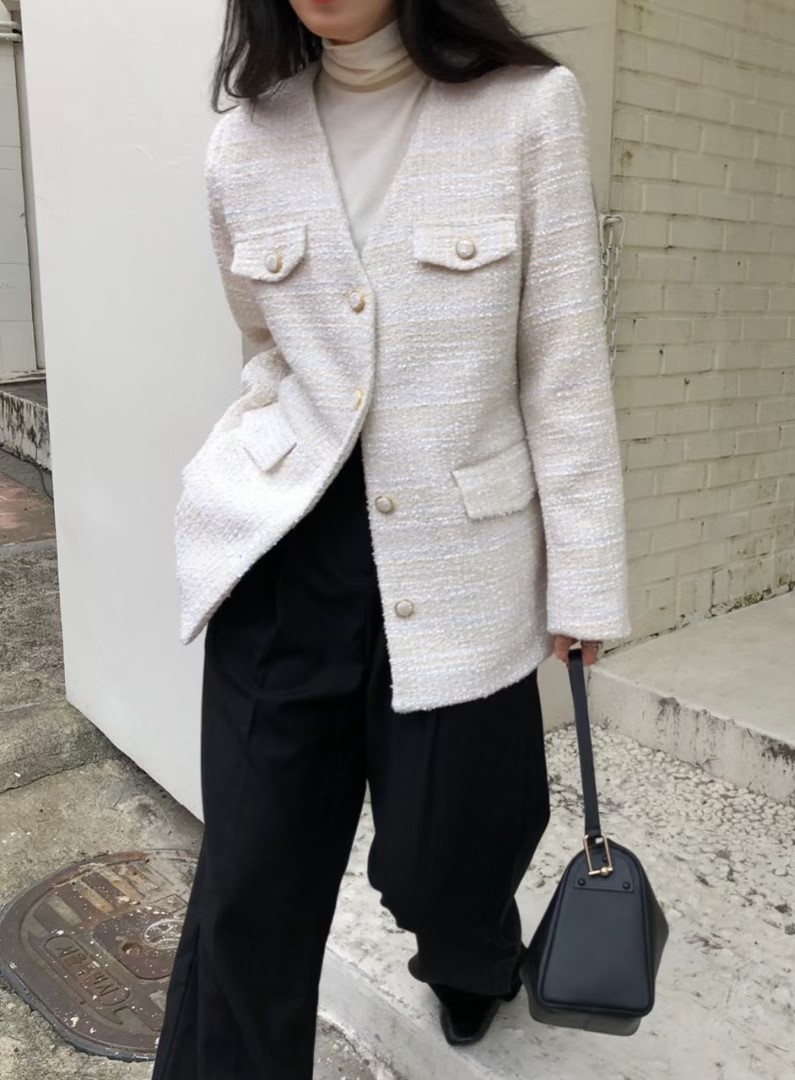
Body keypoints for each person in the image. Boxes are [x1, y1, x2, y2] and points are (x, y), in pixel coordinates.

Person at [154, 0, 630, 1075]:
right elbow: (266, 349)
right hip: (284, 559)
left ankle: (475, 958)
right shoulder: (245, 144)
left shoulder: (527, 111)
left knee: (445, 866)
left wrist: (585, 581)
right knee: (249, 890)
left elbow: (563, 367)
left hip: (460, 567)